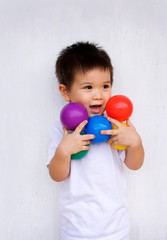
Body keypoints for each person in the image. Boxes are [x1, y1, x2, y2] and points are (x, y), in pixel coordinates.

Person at [47, 42, 144, 240]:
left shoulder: (115, 125)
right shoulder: (62, 129)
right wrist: (63, 152)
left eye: (105, 86)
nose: (98, 94)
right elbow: (56, 175)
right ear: (66, 92)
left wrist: (135, 143)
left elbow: (134, 165)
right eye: (88, 87)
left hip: (116, 228)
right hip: (76, 230)